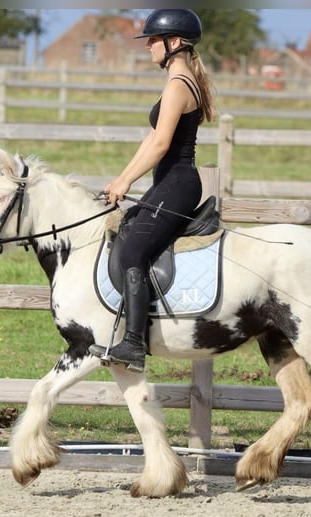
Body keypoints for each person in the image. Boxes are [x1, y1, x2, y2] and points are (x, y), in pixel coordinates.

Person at [88, 8, 216, 372]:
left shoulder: (179, 84)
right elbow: (152, 139)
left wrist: (126, 181)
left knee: (132, 252)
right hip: (170, 183)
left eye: (153, 40)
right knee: (129, 231)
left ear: (174, 43)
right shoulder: (179, 81)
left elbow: (161, 146)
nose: (147, 47)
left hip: (178, 184)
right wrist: (120, 178)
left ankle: (133, 344)